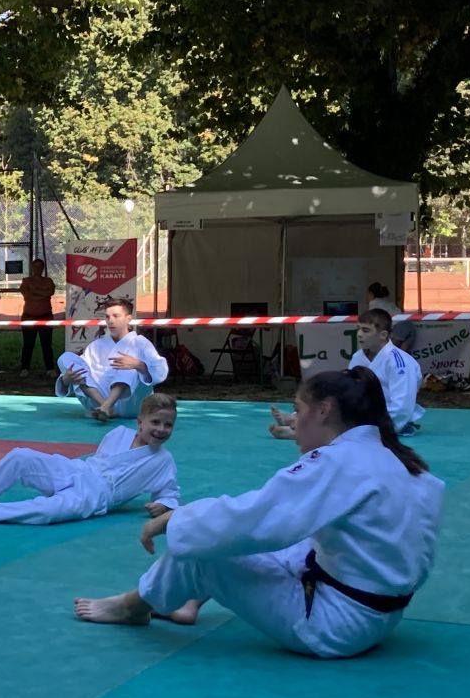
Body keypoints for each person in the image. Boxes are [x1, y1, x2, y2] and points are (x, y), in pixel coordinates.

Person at [73, 368, 444, 658]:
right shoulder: (400, 462)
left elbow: (259, 518)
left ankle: (133, 606)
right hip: (379, 614)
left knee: (203, 550)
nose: (294, 420)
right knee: (269, 537)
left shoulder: (339, 462)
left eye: (298, 410)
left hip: (334, 624)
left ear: (324, 410)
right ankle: (189, 599)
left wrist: (175, 518)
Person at [0, 393, 179, 524]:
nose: (161, 429)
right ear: (140, 422)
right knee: (21, 456)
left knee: (49, 510)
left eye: (168, 425)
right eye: (155, 422)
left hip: (96, 496)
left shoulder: (163, 460)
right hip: (79, 470)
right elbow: (99, 459)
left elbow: (169, 492)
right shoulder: (119, 433)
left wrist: (164, 504)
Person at [269, 308, 424, 439]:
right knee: (331, 392)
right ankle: (299, 417)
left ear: (383, 335)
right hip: (363, 409)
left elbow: (402, 407)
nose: (359, 334)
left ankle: (301, 431)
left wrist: (386, 427)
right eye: (358, 329)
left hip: (389, 417)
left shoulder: (400, 362)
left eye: (366, 330)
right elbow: (349, 389)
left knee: (346, 421)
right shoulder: (358, 357)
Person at [55, 298, 168, 421]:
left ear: (128, 319)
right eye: (107, 317)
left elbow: (161, 371)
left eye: (116, 316)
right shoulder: (96, 346)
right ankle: (105, 406)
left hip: (130, 405)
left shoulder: (140, 343)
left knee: (129, 365)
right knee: (66, 357)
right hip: (99, 400)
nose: (111, 321)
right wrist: (66, 380)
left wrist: (139, 365)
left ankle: (106, 406)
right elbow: (83, 374)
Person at [18, 258, 57, 374]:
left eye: (40, 267)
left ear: (43, 268)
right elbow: (27, 295)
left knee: (47, 344)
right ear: (32, 268)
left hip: (46, 316)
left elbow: (49, 293)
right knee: (28, 344)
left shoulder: (48, 281)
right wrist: (42, 294)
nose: (37, 269)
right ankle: (25, 368)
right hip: (29, 316)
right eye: (35, 267)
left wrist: (34, 291)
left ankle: (50, 368)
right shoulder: (26, 281)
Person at [366, 281, 416, 353]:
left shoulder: (373, 303)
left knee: (388, 352)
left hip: (399, 327)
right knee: (401, 355)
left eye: (367, 294)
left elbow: (373, 321)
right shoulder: (387, 301)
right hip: (409, 325)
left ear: (371, 293)